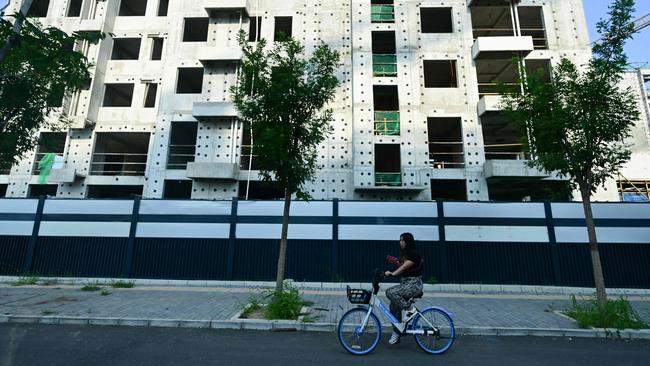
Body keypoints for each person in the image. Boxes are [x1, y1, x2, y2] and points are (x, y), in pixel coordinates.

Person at [384, 232, 424, 345]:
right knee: (393, 306)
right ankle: (397, 331)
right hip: (406, 284)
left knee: (390, 292)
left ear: (408, 242)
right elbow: (404, 264)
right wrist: (396, 262)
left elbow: (405, 266)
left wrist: (392, 274)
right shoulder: (406, 255)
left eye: (402, 240)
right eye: (400, 240)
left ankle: (410, 310)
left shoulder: (414, 254)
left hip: (414, 285)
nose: (400, 242)